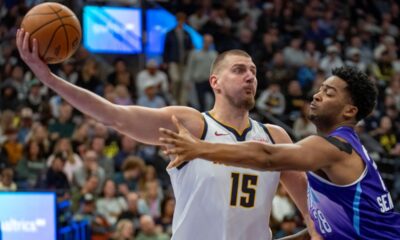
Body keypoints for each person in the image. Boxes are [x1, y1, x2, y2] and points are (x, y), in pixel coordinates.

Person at [16, 29, 317, 240]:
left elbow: (309, 206)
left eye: (253, 70)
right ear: (215, 81)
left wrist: (316, 231)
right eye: (239, 70)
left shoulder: (275, 136)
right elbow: (115, 117)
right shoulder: (192, 123)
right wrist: (49, 79)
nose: (250, 76)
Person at [160, 66, 400, 239]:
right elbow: (328, 228)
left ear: (349, 111)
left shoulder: (333, 147)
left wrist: (200, 148)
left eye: (329, 93)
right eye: (320, 89)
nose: (316, 95)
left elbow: (268, 156)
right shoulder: (339, 151)